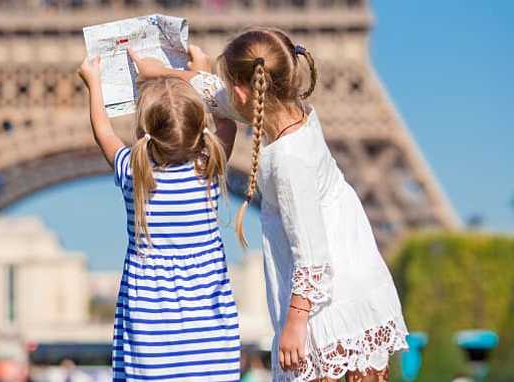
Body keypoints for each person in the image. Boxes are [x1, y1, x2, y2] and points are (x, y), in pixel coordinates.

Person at [131, 28, 409, 381]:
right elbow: (218, 96)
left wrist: (294, 324)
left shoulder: (289, 159)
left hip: (328, 300)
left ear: (243, 90)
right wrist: (165, 72)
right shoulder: (295, 111)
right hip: (351, 279)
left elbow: (312, 256)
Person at [78, 49, 241, 380]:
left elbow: (103, 130)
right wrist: (201, 73)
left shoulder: (136, 175)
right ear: (199, 132)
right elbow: (227, 122)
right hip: (208, 334)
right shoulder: (208, 167)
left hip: (151, 336)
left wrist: (94, 82)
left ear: (143, 130)